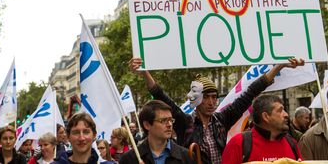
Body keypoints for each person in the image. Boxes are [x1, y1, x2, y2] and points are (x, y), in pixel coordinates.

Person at [130, 57, 304, 164]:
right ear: (196, 98)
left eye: (215, 97)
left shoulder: (222, 119)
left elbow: (251, 91)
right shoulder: (185, 122)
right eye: (206, 97)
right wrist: (145, 73)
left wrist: (279, 66)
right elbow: (160, 95)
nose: (212, 102)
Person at [221, 94, 302, 163]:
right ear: (266, 117)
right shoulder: (238, 143)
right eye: (280, 111)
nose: (286, 115)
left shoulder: (292, 143)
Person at [119, 100, 193, 164]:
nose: (170, 124)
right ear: (147, 125)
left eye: (171, 120)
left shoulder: (187, 157)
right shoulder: (129, 159)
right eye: (164, 120)